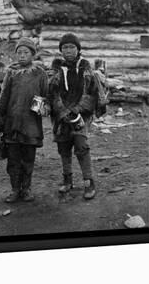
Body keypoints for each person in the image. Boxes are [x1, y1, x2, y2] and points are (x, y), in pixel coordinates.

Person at [0, 38, 49, 203]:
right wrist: (0, 118)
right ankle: (14, 189)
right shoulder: (11, 73)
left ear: (33, 54)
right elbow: (3, 97)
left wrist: (42, 106)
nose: (22, 55)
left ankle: (26, 189)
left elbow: (46, 96)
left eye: (26, 52)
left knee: (28, 159)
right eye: (19, 52)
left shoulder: (40, 74)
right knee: (13, 160)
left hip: (31, 125)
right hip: (12, 124)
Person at [48, 33, 98, 200]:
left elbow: (90, 94)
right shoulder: (56, 71)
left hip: (80, 116)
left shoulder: (86, 70)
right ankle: (67, 179)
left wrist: (77, 110)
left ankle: (88, 181)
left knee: (81, 146)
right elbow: (52, 94)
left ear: (78, 49)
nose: (68, 50)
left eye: (72, 47)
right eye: (65, 47)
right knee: (63, 148)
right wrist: (62, 112)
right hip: (61, 117)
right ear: (61, 50)